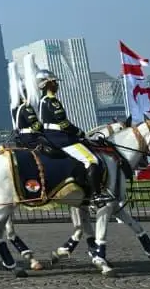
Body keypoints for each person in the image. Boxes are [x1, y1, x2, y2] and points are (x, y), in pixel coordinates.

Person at [37, 70, 113, 206]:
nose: (57, 85)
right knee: (92, 160)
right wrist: (79, 132)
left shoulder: (42, 101)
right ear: (48, 84)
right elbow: (64, 123)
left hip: (52, 136)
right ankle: (97, 195)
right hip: (61, 138)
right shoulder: (52, 101)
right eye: (54, 82)